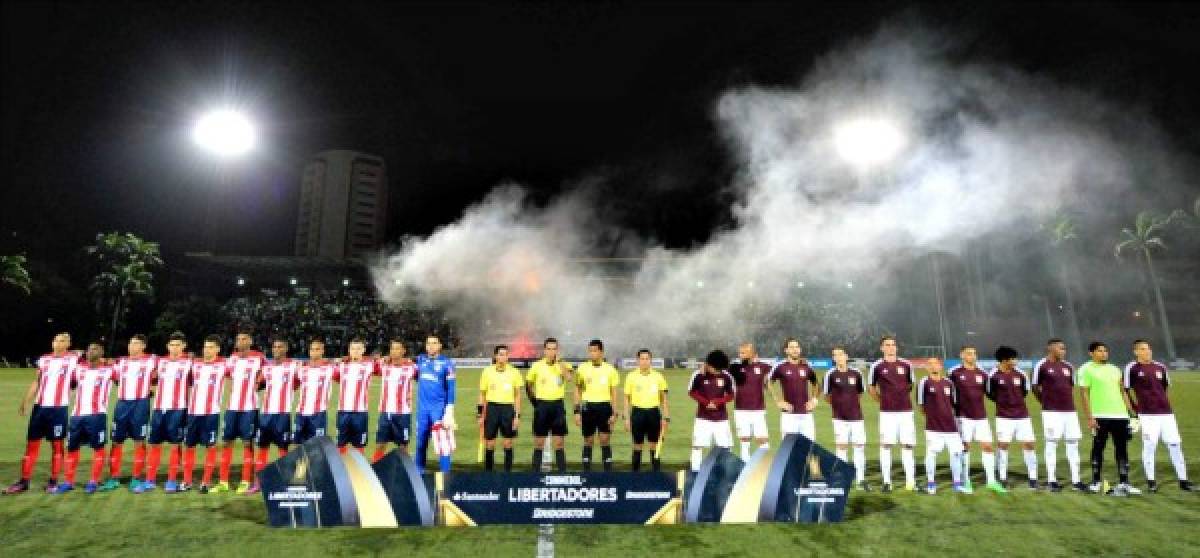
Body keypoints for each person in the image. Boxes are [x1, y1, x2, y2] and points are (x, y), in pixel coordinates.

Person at [5, 333, 76, 494]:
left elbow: (79, 378)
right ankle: (24, 481)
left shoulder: (74, 359)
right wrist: (26, 401)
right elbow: (37, 382)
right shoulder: (44, 359)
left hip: (58, 410)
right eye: (56, 340)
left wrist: (69, 395)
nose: (58, 343)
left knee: (57, 446)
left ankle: (53, 481)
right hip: (39, 408)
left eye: (62, 341)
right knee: (31, 445)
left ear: (68, 344)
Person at [1123, 339, 1193, 492]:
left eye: (1148, 348)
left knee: (1175, 445)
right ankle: (1151, 482)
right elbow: (1125, 390)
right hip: (1147, 415)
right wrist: (1133, 411)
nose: (1147, 351)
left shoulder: (1160, 367)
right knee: (1150, 447)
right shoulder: (1132, 368)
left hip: (1166, 414)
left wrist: (1162, 403)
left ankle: (1183, 481)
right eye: (1142, 349)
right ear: (1136, 352)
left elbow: (1164, 388)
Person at [1078, 341, 1140, 495]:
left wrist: (1131, 412)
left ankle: (1124, 482)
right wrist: (1090, 418)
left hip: (1120, 416)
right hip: (1100, 416)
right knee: (1098, 447)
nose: (1104, 353)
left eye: (1105, 350)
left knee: (1122, 448)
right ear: (1091, 353)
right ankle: (1096, 481)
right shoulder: (1086, 369)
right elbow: (1084, 394)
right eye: (1100, 351)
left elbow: (1123, 391)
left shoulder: (1115, 369)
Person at [55, 342, 115, 494]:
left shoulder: (110, 370)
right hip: (76, 416)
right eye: (89, 348)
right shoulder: (79, 368)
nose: (91, 351)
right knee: (72, 448)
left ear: (102, 354)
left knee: (98, 449)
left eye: (96, 349)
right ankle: (69, 481)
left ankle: (94, 481)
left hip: (97, 415)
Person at [948, 345, 1005, 493]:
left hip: (981, 417)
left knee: (987, 447)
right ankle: (966, 480)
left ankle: (991, 481)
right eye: (969, 353)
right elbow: (947, 392)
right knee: (964, 448)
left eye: (974, 353)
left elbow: (990, 393)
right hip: (962, 417)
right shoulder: (954, 373)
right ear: (962, 355)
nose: (972, 356)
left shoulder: (983, 374)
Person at [140, 332, 191, 493]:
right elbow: (153, 381)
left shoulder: (189, 363)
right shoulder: (160, 362)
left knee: (175, 445)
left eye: (178, 345)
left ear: (184, 346)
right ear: (167, 346)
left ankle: (171, 480)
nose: (174, 348)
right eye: (172, 345)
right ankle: (150, 479)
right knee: (154, 444)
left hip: (178, 409)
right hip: (159, 409)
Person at [1032, 338, 1085, 492]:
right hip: (1051, 412)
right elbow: (1034, 386)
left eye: (1064, 348)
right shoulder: (1041, 365)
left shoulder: (1068, 366)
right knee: (1052, 444)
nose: (1064, 351)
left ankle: (1076, 481)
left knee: (1073, 444)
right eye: (1061, 348)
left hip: (1070, 412)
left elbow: (1070, 387)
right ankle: (1052, 480)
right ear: (1051, 349)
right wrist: (1044, 402)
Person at [106, 334, 157, 492]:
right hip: (122, 404)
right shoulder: (121, 362)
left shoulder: (152, 360)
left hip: (140, 405)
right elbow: (114, 378)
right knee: (116, 441)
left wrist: (152, 388)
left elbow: (159, 376)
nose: (131, 346)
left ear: (143, 346)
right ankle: (114, 477)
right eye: (130, 343)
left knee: (139, 441)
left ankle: (136, 477)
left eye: (135, 343)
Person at [182, 335, 231, 494]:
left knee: (210, 446)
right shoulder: (194, 364)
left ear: (217, 349)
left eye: (210, 347)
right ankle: (187, 481)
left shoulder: (224, 364)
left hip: (211, 413)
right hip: (193, 412)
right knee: (189, 446)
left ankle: (205, 482)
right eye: (205, 347)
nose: (206, 350)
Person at [986, 346, 1039, 490]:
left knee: (1029, 445)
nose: (1016, 361)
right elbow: (990, 393)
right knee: (1003, 445)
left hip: (1023, 416)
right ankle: (1002, 477)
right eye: (1013, 358)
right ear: (1004, 360)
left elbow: (1025, 391)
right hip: (1003, 417)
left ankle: (1033, 478)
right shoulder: (993, 375)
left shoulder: (1021, 374)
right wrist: (1003, 403)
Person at [868, 335, 916, 492]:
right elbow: (871, 388)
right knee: (886, 445)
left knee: (907, 445)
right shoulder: (877, 366)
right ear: (882, 348)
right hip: (887, 413)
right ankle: (887, 482)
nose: (890, 347)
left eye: (893, 345)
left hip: (906, 412)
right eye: (887, 345)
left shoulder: (906, 364)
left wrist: (901, 395)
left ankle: (910, 482)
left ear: (896, 347)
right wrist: (882, 401)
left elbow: (910, 384)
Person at [219, 330, 265, 494]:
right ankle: (223, 481)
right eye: (238, 339)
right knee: (226, 442)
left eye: (244, 338)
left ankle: (245, 481)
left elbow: (266, 376)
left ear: (250, 340)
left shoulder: (259, 358)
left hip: (249, 408)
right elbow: (227, 376)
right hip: (232, 407)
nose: (240, 341)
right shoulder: (232, 358)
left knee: (248, 443)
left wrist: (259, 383)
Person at [251, 338, 299, 493]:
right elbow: (258, 384)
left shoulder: (294, 365)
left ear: (286, 349)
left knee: (283, 449)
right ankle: (258, 483)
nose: (276, 349)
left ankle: (284, 482)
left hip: (282, 414)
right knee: (262, 448)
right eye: (274, 346)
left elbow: (299, 382)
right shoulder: (267, 368)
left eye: (280, 346)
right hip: (266, 414)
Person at [917, 358, 967, 494]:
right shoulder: (924, 382)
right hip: (933, 427)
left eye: (936, 363)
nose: (933, 366)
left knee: (956, 454)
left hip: (951, 427)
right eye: (930, 364)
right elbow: (921, 405)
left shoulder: (949, 383)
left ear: (940, 366)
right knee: (931, 454)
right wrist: (931, 417)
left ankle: (957, 484)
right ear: (926, 367)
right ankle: (931, 484)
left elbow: (953, 403)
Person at [822, 345, 868, 490]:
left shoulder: (857, 373)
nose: (838, 357)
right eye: (835, 355)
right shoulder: (830, 374)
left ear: (846, 356)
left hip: (856, 417)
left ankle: (861, 480)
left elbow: (860, 393)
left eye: (840, 354)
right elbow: (826, 396)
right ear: (833, 358)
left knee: (859, 447)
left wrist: (850, 403)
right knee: (841, 448)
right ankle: (842, 479)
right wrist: (838, 405)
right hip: (839, 418)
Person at [526, 337, 573, 472]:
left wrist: (559, 363)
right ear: (544, 350)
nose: (551, 351)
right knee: (539, 443)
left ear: (557, 350)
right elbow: (528, 385)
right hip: (542, 406)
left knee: (559, 443)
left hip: (558, 406)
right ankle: (535, 475)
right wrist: (535, 403)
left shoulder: (564, 365)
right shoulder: (537, 366)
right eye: (549, 349)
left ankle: (562, 475)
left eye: (554, 349)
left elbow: (569, 378)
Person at [574, 339, 621, 471]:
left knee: (605, 440)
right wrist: (576, 411)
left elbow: (614, 394)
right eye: (590, 351)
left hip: (604, 408)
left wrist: (614, 412)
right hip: (588, 407)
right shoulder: (582, 369)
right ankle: (587, 473)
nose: (592, 354)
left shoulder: (610, 370)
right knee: (588, 440)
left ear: (601, 352)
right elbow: (577, 390)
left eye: (595, 351)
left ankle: (607, 473)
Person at [415, 334, 457, 474]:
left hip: (438, 410)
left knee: (443, 445)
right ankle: (418, 474)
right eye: (428, 343)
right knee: (421, 443)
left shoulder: (447, 363)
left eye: (434, 343)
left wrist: (449, 411)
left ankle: (445, 476)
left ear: (440, 346)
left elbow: (451, 388)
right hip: (422, 410)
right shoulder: (420, 360)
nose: (431, 346)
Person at [478, 345, 523, 472]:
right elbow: (482, 394)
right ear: (495, 356)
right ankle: (488, 474)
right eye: (501, 354)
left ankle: (507, 475)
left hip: (508, 409)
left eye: (505, 354)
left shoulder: (514, 372)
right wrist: (479, 414)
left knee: (508, 443)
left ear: (508, 356)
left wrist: (517, 416)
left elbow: (518, 396)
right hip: (492, 408)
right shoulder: (487, 371)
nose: (503, 357)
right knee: (490, 444)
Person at [623, 349, 670, 472]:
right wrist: (627, 418)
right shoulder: (631, 376)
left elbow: (664, 400)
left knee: (654, 446)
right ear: (637, 360)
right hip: (637, 413)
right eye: (642, 359)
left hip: (653, 413)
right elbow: (626, 399)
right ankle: (635, 476)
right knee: (637, 445)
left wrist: (666, 418)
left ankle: (656, 476)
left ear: (651, 360)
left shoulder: (658, 377)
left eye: (647, 359)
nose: (644, 361)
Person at [688, 350, 735, 472]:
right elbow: (691, 392)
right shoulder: (698, 375)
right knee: (697, 446)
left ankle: (724, 472)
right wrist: (706, 403)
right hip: (703, 418)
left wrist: (718, 402)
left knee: (726, 447)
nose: (717, 372)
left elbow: (731, 395)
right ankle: (695, 472)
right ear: (709, 365)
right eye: (715, 369)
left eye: (720, 370)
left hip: (721, 419)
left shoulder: (726, 376)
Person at [373, 340, 417, 463]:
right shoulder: (384, 365)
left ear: (404, 351)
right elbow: (364, 363)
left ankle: (406, 472)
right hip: (385, 413)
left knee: (403, 447)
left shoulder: (411, 367)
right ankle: (376, 470)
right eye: (392, 348)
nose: (394, 351)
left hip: (403, 413)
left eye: (398, 348)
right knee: (380, 445)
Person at [768, 338, 819, 442]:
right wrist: (778, 401)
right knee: (789, 449)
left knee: (808, 448)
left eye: (797, 347)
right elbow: (768, 383)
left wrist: (814, 400)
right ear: (786, 350)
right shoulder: (780, 366)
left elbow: (816, 384)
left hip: (806, 415)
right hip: (789, 415)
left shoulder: (806, 365)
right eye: (791, 347)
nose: (795, 350)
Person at [730, 342, 772, 461]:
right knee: (744, 440)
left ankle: (765, 466)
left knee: (762, 439)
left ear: (752, 353)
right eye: (740, 353)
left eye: (743, 352)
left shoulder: (763, 366)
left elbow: (779, 370)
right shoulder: (735, 367)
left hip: (758, 410)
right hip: (740, 410)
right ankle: (745, 466)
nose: (740, 355)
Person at [335, 339, 378, 455]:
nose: (356, 351)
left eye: (359, 348)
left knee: (359, 445)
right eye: (353, 349)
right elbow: (335, 376)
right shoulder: (342, 365)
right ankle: (342, 469)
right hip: (343, 411)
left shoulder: (370, 365)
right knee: (340, 444)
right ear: (349, 350)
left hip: (360, 412)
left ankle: (359, 470)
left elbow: (385, 364)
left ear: (363, 350)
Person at [293, 339, 336, 444]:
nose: (314, 352)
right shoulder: (301, 368)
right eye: (312, 349)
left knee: (318, 445)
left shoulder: (330, 367)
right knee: (298, 444)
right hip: (301, 412)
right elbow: (294, 385)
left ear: (322, 351)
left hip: (318, 413)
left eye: (317, 349)